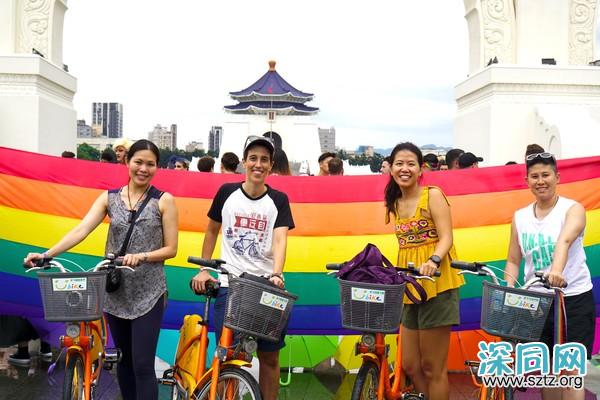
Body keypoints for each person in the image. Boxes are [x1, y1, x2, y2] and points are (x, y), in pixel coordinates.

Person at [24, 139, 178, 400]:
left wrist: (142, 256)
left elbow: (171, 249)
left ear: (157, 167)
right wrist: (46, 254)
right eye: (138, 162)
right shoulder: (109, 198)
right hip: (116, 291)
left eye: (150, 164)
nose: (143, 169)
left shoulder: (164, 201)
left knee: (142, 364)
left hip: (149, 293)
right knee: (124, 360)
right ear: (127, 162)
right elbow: (81, 230)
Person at [191, 135, 294, 400]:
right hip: (231, 286)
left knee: (270, 357)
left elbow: (280, 238)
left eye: (264, 160)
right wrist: (204, 268)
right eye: (253, 158)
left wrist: (277, 273)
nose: (258, 164)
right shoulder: (227, 192)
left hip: (266, 286)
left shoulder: (279, 200)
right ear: (244, 162)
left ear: (271, 165)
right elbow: (211, 230)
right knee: (227, 355)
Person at [504, 152, 594, 400]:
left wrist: (556, 271)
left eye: (546, 175)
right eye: (534, 176)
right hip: (537, 303)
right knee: (547, 370)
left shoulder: (572, 209)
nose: (540, 181)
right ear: (527, 181)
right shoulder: (520, 217)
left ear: (557, 177)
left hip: (572, 299)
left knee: (571, 371)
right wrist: (509, 288)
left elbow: (564, 240)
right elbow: (513, 260)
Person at [384, 142, 464, 399]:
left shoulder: (433, 195)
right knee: (410, 365)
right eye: (399, 164)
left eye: (411, 164)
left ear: (420, 169)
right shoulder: (395, 202)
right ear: (391, 168)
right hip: (410, 288)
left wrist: (434, 260)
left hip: (437, 285)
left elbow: (446, 237)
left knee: (432, 367)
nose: (404, 169)